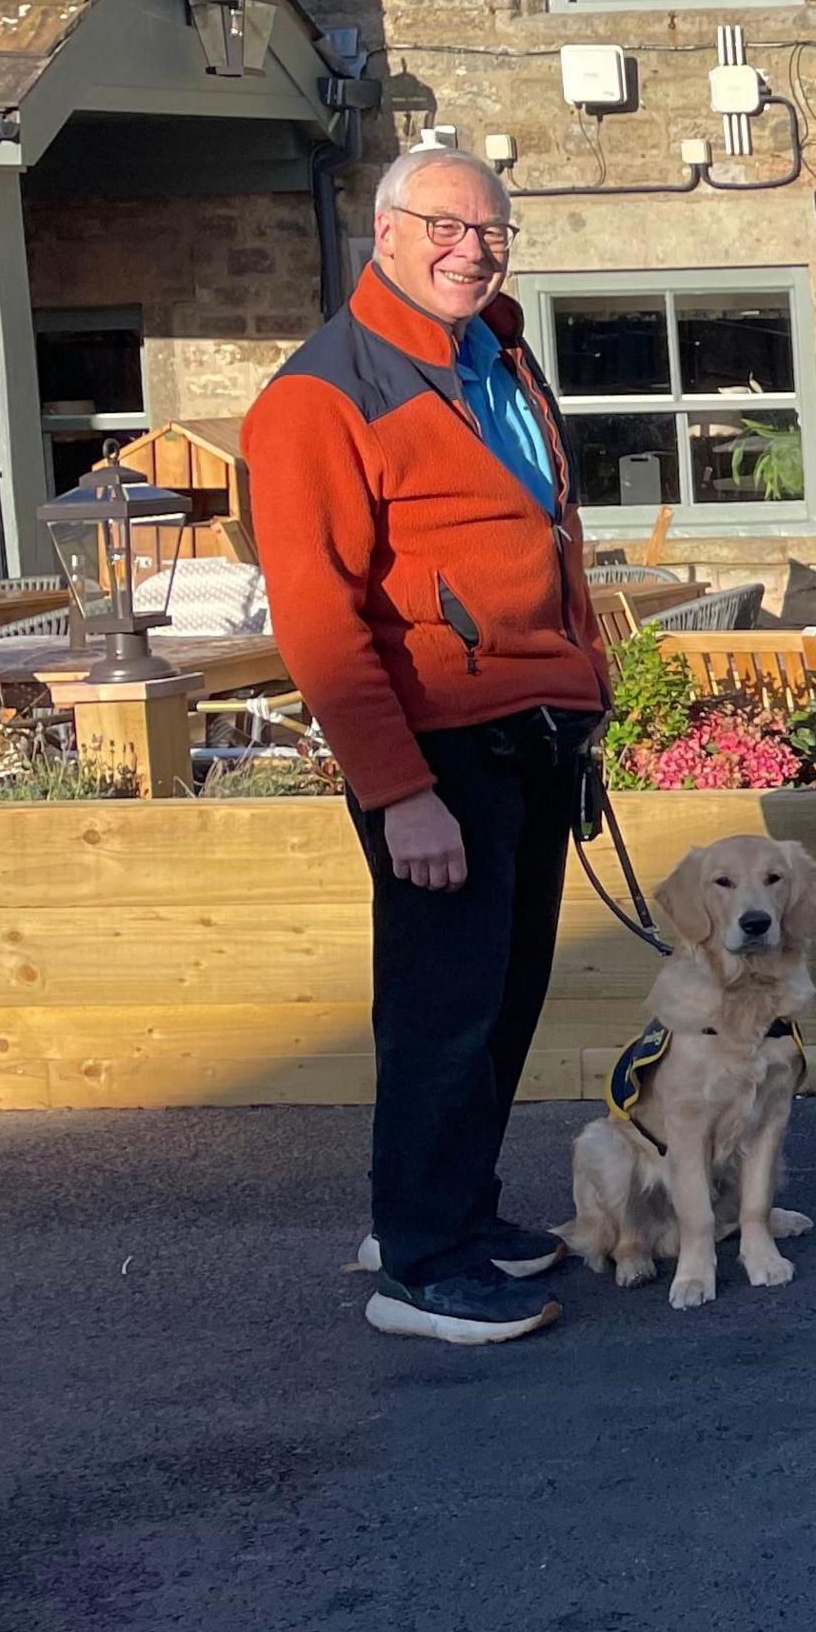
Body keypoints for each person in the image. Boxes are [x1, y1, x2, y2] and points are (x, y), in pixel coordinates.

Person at [247, 144, 613, 1344]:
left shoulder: (497, 352)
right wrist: (399, 790)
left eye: (494, 231)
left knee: (504, 998)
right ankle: (420, 1262)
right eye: (447, 226)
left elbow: (543, 541)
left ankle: (446, 1207)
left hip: (531, 731)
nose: (473, 248)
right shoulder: (320, 394)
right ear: (387, 233)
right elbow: (316, 616)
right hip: (436, 750)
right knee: (442, 1008)